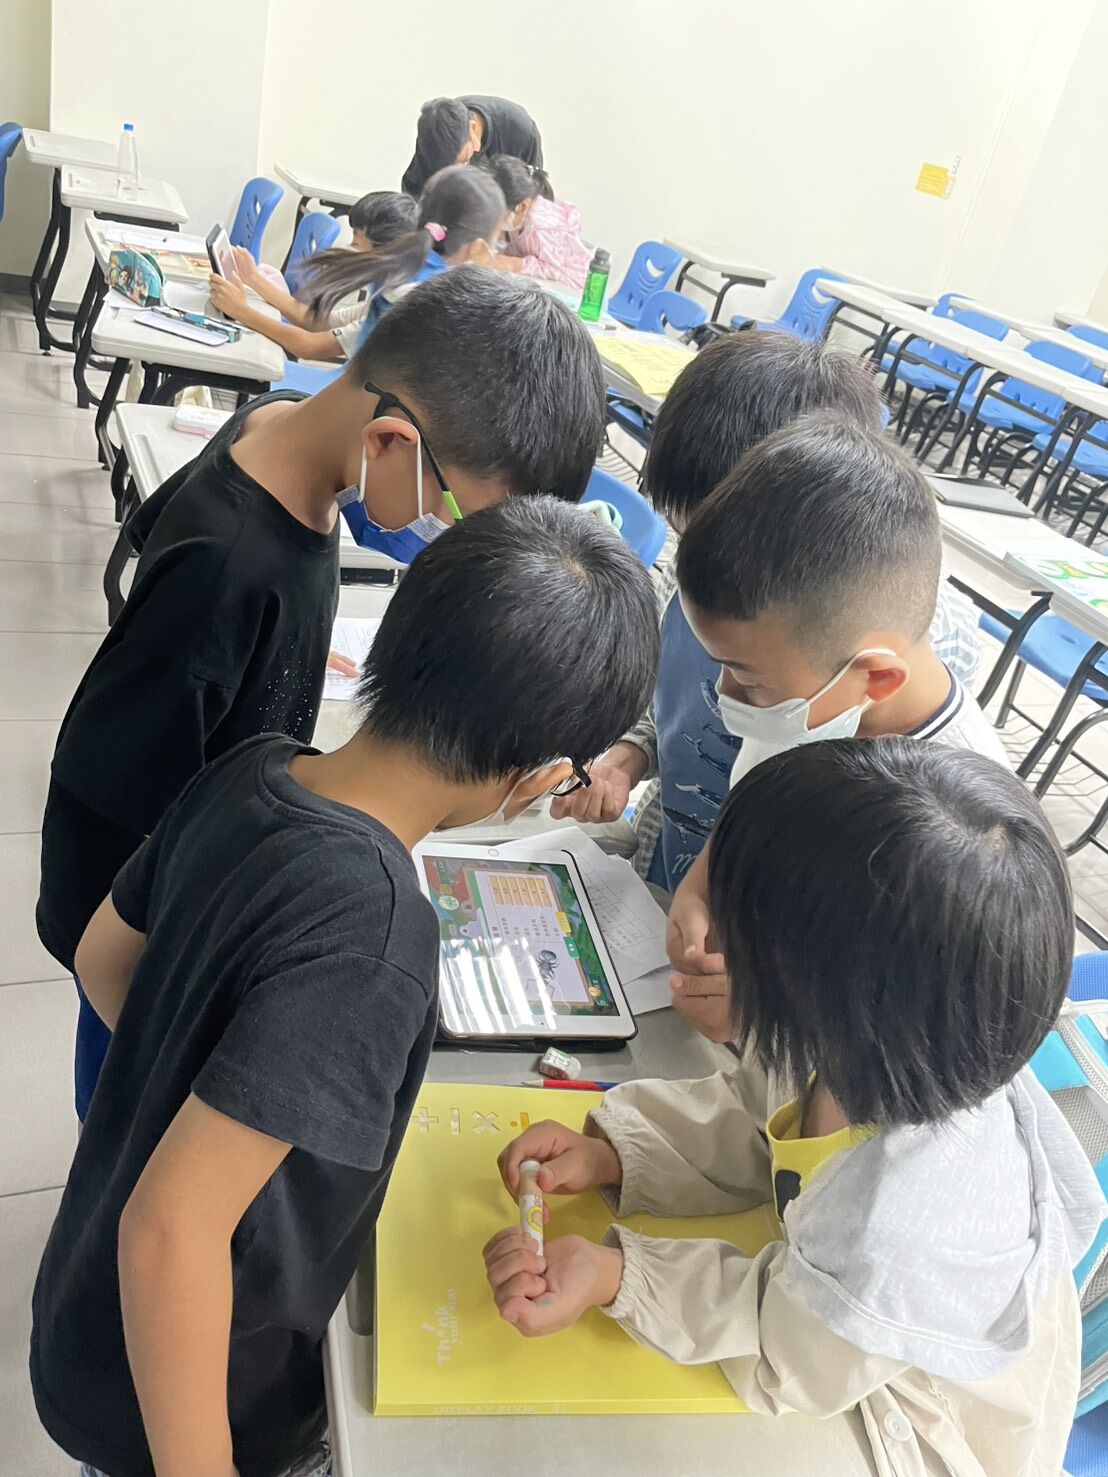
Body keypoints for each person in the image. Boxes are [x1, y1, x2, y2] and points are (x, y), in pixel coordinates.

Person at [31, 497, 661, 1477]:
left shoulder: (253, 767)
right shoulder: (376, 936)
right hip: (185, 1398)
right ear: (539, 775)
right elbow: (171, 1232)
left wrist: (184, 1085)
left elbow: (102, 956)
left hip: (91, 1313)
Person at [36, 268, 606, 1122]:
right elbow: (109, 778)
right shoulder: (229, 569)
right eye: (459, 514)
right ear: (389, 442)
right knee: (121, 1113)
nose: (448, 536)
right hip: (136, 922)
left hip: (204, 852)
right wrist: (154, 987)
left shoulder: (280, 432)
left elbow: (157, 544)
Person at [486, 738, 1104, 1475]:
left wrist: (619, 1275)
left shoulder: (901, 1219)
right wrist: (616, 1152)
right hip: (840, 1320)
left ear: (814, 989)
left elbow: (787, 1351)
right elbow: (758, 1120)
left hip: (914, 1414)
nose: (707, 938)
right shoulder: (870, 1040)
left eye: (732, 923)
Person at [552, 332, 982, 892]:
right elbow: (669, 702)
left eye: (748, 678)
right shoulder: (706, 573)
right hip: (676, 861)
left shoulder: (895, 645)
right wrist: (630, 754)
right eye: (686, 535)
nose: (725, 687)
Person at [658, 414, 1009, 1041]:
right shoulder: (808, 693)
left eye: (749, 681)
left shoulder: (963, 835)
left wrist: (770, 1019)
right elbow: (749, 803)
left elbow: (916, 1039)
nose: (725, 695)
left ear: (877, 677)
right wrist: (700, 887)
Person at [208, 171, 501, 362]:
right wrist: (254, 279)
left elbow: (310, 346)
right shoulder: (410, 282)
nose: (352, 249)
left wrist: (242, 311)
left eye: (357, 243)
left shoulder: (412, 294)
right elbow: (317, 322)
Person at [296, 164, 506, 343]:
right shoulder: (439, 297)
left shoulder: (408, 271)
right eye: (496, 241)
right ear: (478, 247)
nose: (496, 249)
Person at [475, 155, 592, 290]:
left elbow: (558, 271)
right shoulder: (518, 216)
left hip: (574, 288)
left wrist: (513, 264)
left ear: (523, 207)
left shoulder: (543, 227)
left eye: (497, 213)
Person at [402, 93, 543, 198]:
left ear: (473, 128)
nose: (459, 171)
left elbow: (535, 195)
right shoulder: (434, 133)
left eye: (464, 161)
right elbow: (414, 193)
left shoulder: (521, 132)